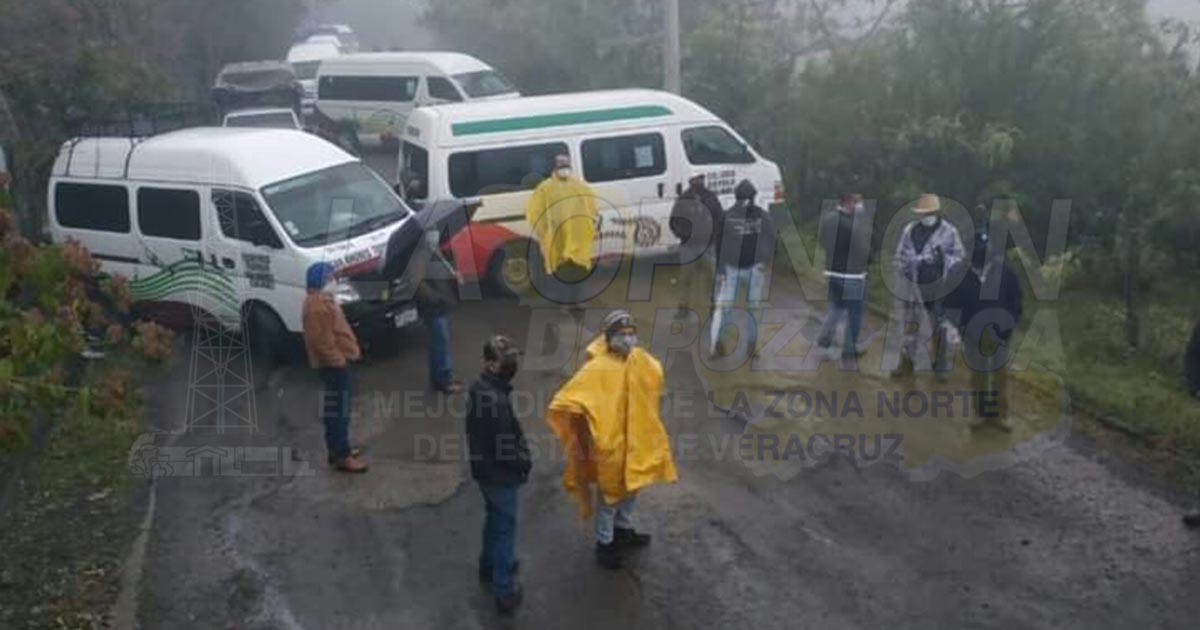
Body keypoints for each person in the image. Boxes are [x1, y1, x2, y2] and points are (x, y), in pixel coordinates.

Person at [545, 310, 678, 570]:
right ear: (610, 338)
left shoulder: (640, 361)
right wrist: (585, 430)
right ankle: (605, 543)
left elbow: (655, 377)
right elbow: (567, 399)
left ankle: (623, 529)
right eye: (622, 335)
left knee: (634, 486)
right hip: (613, 443)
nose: (628, 340)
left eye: (631, 334)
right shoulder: (597, 368)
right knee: (611, 495)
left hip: (638, 438)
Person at [465, 334, 531, 614]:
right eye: (506, 360)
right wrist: (523, 463)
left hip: (484, 471)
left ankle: (488, 565)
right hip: (500, 475)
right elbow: (506, 449)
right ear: (491, 364)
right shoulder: (496, 402)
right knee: (505, 528)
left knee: (493, 519)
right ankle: (504, 591)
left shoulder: (481, 388)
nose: (511, 364)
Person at [948, 231, 1023, 429]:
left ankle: (1000, 415)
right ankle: (980, 414)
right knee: (978, 374)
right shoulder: (959, 273)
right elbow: (950, 303)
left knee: (999, 374)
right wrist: (961, 327)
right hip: (972, 333)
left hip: (1000, 332)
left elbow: (1016, 300)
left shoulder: (1005, 271)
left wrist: (1010, 325)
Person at [301, 262, 368, 473]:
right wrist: (339, 361)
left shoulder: (322, 300)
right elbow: (321, 343)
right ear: (321, 280)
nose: (334, 281)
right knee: (339, 411)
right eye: (331, 277)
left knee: (337, 410)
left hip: (335, 363)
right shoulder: (317, 306)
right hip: (334, 366)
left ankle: (339, 449)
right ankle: (342, 455)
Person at [890, 193, 964, 378]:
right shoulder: (910, 230)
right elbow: (899, 255)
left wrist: (942, 261)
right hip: (914, 284)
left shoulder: (949, 232)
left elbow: (959, 256)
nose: (927, 216)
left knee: (939, 325)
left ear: (937, 213)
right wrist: (905, 267)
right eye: (924, 213)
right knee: (911, 325)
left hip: (938, 286)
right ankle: (907, 362)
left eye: (930, 212)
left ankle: (940, 367)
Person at [524, 153, 598, 308]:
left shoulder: (579, 186)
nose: (564, 170)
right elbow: (535, 211)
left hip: (577, 237)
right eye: (561, 167)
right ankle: (564, 302)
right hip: (557, 238)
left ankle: (577, 301)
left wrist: (589, 226)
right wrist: (543, 231)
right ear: (555, 168)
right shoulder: (545, 188)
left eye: (566, 166)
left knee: (578, 270)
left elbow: (591, 207)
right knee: (560, 272)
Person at [711, 179, 775, 357]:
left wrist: (765, 261)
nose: (744, 201)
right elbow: (720, 244)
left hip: (754, 269)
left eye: (747, 198)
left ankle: (752, 346)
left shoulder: (762, 216)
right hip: (731, 269)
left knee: (753, 308)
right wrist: (720, 270)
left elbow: (770, 238)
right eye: (742, 198)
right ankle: (720, 345)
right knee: (726, 307)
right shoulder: (727, 216)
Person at [816, 193, 873, 359]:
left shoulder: (828, 220)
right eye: (858, 204)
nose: (860, 207)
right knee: (854, 313)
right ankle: (849, 349)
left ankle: (824, 341)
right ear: (850, 203)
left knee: (835, 308)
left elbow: (821, 241)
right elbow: (863, 248)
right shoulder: (854, 224)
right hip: (852, 275)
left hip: (832, 272)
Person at [408, 229, 464, 394]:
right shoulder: (419, 255)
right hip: (433, 307)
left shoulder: (434, 250)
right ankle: (444, 381)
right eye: (432, 232)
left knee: (439, 342)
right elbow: (416, 283)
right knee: (440, 343)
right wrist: (435, 298)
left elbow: (442, 271)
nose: (435, 235)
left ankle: (438, 378)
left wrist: (454, 275)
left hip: (440, 304)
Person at [669, 172, 724, 318]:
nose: (699, 181)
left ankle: (713, 307)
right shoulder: (683, 199)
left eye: (701, 178)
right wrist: (684, 235)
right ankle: (683, 308)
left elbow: (720, 219)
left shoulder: (711, 198)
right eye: (695, 179)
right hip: (689, 247)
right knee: (686, 279)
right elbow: (674, 221)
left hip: (708, 246)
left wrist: (714, 237)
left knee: (711, 279)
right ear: (690, 181)